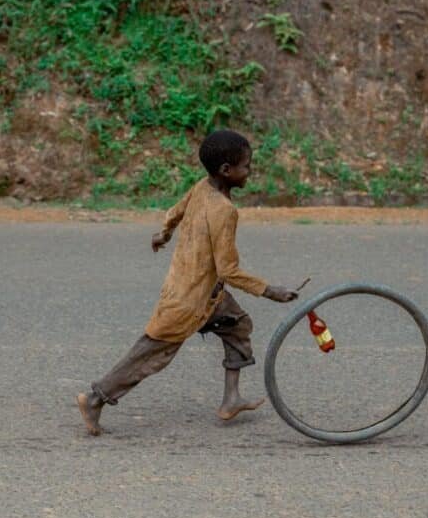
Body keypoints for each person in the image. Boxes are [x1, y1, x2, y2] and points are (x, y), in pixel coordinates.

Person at [77, 129, 299, 436]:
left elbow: (177, 211)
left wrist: (164, 232)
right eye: (246, 166)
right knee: (150, 354)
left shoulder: (203, 187)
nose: (250, 171)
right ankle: (95, 398)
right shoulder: (225, 211)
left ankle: (231, 399)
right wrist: (270, 290)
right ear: (226, 170)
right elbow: (229, 270)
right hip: (189, 301)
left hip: (203, 292)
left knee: (238, 326)